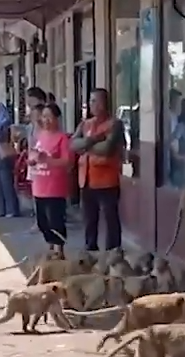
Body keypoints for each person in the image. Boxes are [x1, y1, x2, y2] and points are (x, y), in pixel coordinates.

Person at [71, 88, 125, 252]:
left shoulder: (115, 124)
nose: (91, 104)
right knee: (89, 220)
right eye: (90, 101)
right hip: (86, 179)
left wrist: (85, 145)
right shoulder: (85, 124)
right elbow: (72, 144)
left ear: (104, 103)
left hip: (106, 180)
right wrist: (93, 140)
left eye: (95, 101)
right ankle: (90, 250)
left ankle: (113, 253)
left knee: (110, 219)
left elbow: (107, 148)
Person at [29, 103, 71, 254]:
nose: (46, 120)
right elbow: (35, 155)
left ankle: (58, 250)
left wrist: (47, 160)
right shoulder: (40, 136)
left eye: (49, 117)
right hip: (39, 185)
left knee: (55, 221)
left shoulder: (62, 138)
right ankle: (50, 245)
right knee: (42, 222)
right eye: (44, 116)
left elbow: (67, 161)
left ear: (57, 118)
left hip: (55, 187)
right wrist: (32, 160)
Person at [0, 102, 19, 217]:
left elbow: (4, 137)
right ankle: (2, 209)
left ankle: (12, 209)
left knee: (7, 183)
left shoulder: (5, 123)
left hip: (4, 153)